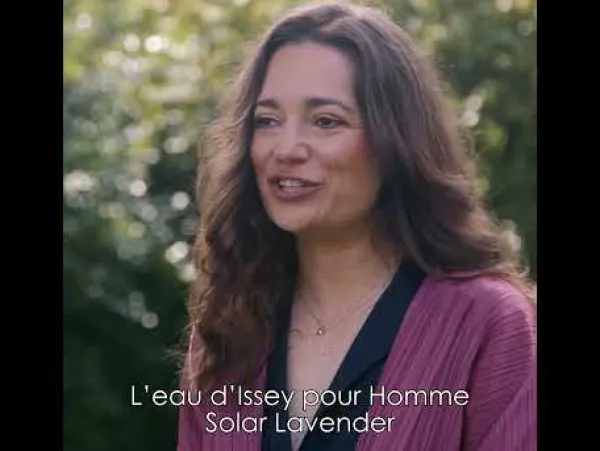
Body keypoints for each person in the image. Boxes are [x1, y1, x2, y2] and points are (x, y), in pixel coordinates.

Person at [177, 2, 537, 451]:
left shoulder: (490, 322)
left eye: (326, 121)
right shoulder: (230, 328)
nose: (286, 149)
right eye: (267, 121)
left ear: (394, 141)